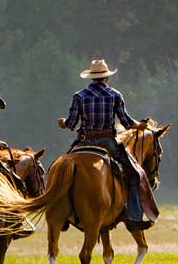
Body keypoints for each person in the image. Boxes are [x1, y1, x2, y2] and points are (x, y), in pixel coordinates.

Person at [58, 58, 155, 225]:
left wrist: (63, 123)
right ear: (106, 77)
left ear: (91, 77)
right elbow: (126, 122)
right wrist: (140, 125)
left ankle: (62, 214)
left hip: (84, 142)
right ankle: (133, 216)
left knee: (61, 172)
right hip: (107, 142)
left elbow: (72, 123)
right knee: (134, 174)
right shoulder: (115, 95)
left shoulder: (79, 96)